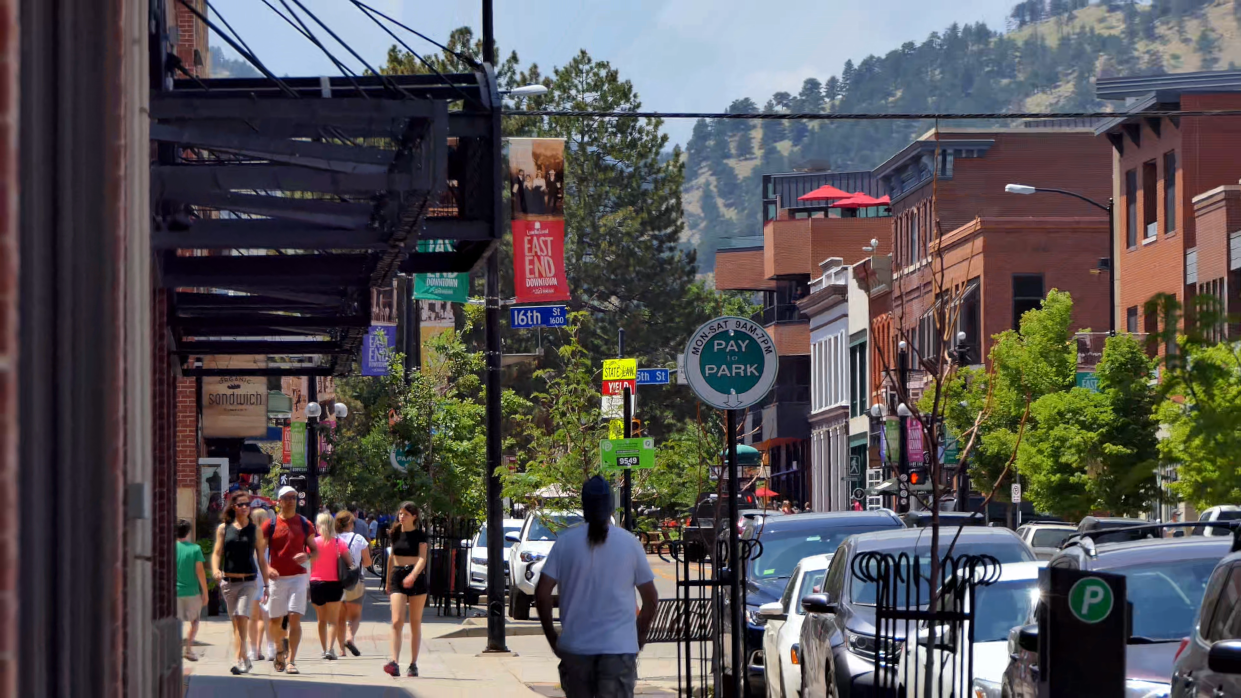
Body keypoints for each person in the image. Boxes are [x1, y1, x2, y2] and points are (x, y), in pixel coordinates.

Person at [535, 476, 659, 698]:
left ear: (584, 506)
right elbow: (650, 599)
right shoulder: (629, 543)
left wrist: (552, 637)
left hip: (576, 650)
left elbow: (542, 593)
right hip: (619, 651)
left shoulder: (565, 543)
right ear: (610, 506)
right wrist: (638, 637)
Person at [262, 486, 318, 675]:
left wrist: (308, 555)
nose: (291, 501)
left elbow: (315, 550)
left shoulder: (305, 524)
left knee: (294, 618)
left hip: (298, 578)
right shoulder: (269, 525)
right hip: (277, 579)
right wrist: (267, 568)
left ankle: (291, 660)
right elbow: (261, 553)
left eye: (294, 497)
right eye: (286, 498)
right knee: (275, 621)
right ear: (279, 501)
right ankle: (279, 650)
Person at [212, 491, 267, 675]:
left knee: (241, 616)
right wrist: (215, 569)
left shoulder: (255, 530)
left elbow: (261, 558)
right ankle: (245, 658)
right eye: (241, 504)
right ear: (234, 507)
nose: (245, 507)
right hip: (228, 582)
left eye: (247, 504)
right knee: (236, 622)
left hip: (248, 581)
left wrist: (266, 583)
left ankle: (239, 660)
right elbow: (217, 553)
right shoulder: (224, 528)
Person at [383, 501, 429, 677]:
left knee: (415, 622)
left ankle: (413, 664)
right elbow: (391, 557)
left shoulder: (420, 535)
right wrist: (388, 581)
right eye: (400, 513)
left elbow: (422, 559)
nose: (402, 517)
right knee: (396, 621)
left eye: (406, 514)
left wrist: (413, 575)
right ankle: (394, 662)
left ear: (414, 516)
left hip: (416, 578)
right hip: (397, 576)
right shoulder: (395, 532)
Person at [309, 512, 348, 661]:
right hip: (334, 583)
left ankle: (324, 648)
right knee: (333, 620)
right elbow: (349, 563)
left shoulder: (313, 543)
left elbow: (308, 562)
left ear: (318, 526)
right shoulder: (339, 543)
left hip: (316, 583)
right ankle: (331, 649)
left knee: (321, 620)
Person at [335, 510, 372, 656]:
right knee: (355, 615)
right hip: (355, 580)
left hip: (336, 581)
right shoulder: (359, 539)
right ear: (350, 523)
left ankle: (341, 650)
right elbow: (368, 562)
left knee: (340, 618)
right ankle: (350, 638)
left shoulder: (332, 538)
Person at [175, 520, 209, 662]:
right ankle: (188, 649)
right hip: (192, 591)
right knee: (194, 622)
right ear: (188, 532)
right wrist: (205, 592)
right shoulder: (195, 549)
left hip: (174, 591)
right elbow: (200, 571)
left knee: (175, 622)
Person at [248, 507, 272, 663]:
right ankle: (271, 648)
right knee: (267, 616)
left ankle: (254, 650)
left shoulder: (248, 538)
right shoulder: (270, 539)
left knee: (253, 617)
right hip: (267, 579)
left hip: (251, 579)